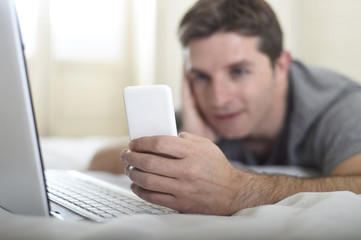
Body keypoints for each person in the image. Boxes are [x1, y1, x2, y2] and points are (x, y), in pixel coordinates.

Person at [89, 0, 361, 215]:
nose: (218, 99)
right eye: (202, 76)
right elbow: (99, 160)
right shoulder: (204, 113)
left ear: (280, 66)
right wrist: (185, 140)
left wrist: (237, 191)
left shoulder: (338, 106)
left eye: (239, 71)